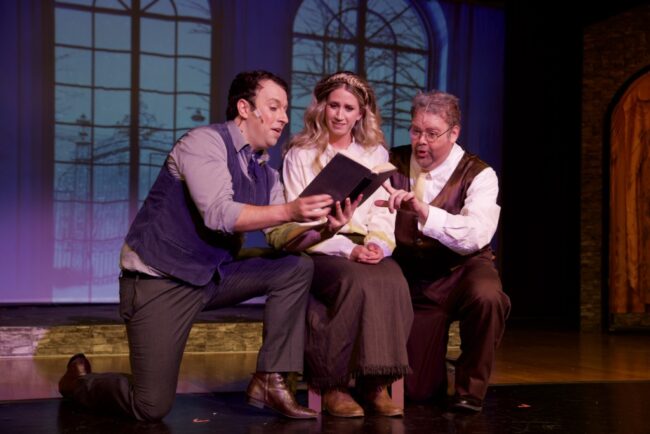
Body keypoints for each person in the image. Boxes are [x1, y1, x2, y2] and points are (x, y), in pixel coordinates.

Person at [57, 70, 337, 422]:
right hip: (160, 281)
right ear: (244, 108)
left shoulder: (266, 172)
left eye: (285, 109)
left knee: (296, 267)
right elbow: (218, 213)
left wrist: (325, 228)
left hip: (211, 276)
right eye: (274, 107)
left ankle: (270, 379)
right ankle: (78, 384)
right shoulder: (203, 142)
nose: (283, 117)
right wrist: (290, 210)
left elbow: (282, 237)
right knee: (151, 406)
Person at [268, 71, 413, 418]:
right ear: (321, 107)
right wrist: (347, 249)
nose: (339, 115)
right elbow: (297, 217)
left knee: (392, 281)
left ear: (360, 114)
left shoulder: (375, 152)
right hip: (320, 246)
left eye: (349, 108)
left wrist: (378, 245)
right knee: (355, 282)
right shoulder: (300, 153)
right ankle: (331, 385)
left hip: (366, 243)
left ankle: (374, 383)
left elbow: (382, 210)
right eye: (333, 105)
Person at [378, 90, 511, 413]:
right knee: (418, 391)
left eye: (432, 134)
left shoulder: (479, 174)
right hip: (418, 282)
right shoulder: (389, 164)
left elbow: (476, 235)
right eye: (415, 131)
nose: (421, 141)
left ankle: (470, 389)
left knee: (488, 297)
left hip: (464, 270)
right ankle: (436, 371)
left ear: (454, 133)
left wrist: (425, 212)